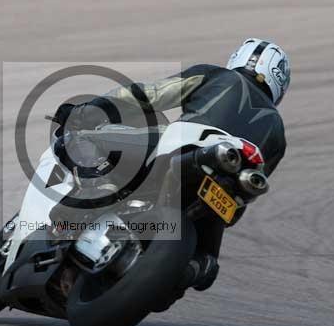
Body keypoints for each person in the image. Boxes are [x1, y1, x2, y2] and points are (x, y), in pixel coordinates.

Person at [54, 38, 290, 292]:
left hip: (181, 146)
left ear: (239, 57)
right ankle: (192, 268)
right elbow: (246, 198)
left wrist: (89, 111)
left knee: (78, 138)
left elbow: (148, 95)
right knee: (206, 263)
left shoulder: (217, 76)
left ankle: (99, 188)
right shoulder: (278, 133)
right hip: (220, 188)